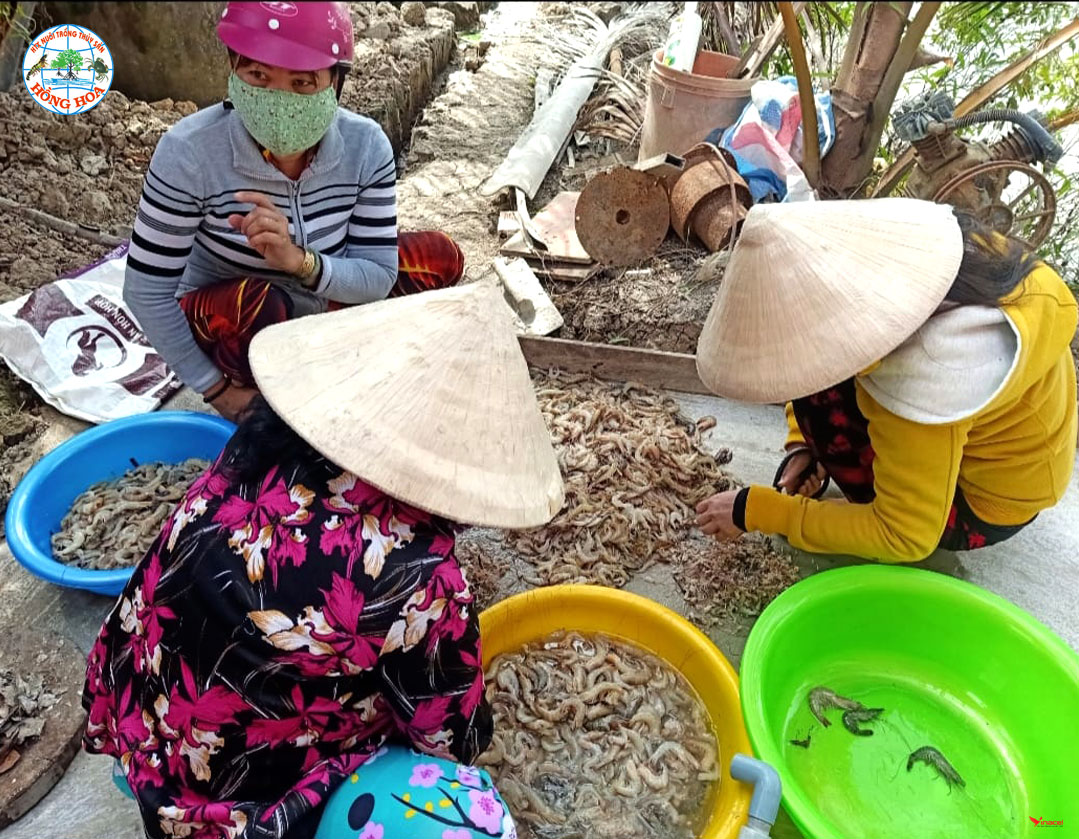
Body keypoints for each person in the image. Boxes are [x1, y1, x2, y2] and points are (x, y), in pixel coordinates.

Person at [82, 283, 565, 839]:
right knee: (472, 820)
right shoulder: (421, 579)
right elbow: (447, 741)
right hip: (229, 811)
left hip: (139, 722)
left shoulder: (253, 450)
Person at [123, 1, 465, 423]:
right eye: (258, 76)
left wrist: (298, 261)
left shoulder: (366, 147)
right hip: (240, 311)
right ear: (233, 69)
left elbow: (378, 275)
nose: (279, 99)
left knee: (442, 258)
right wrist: (218, 392)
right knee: (263, 307)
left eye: (302, 82)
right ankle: (298, 361)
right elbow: (146, 292)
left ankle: (323, 345)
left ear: (335, 82)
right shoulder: (188, 153)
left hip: (326, 288)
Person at [694, 198, 1077, 563]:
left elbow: (904, 535)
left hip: (984, 504)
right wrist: (803, 447)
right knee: (820, 395)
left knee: (821, 407)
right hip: (1017, 456)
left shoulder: (930, 373)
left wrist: (761, 511)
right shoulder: (931, 250)